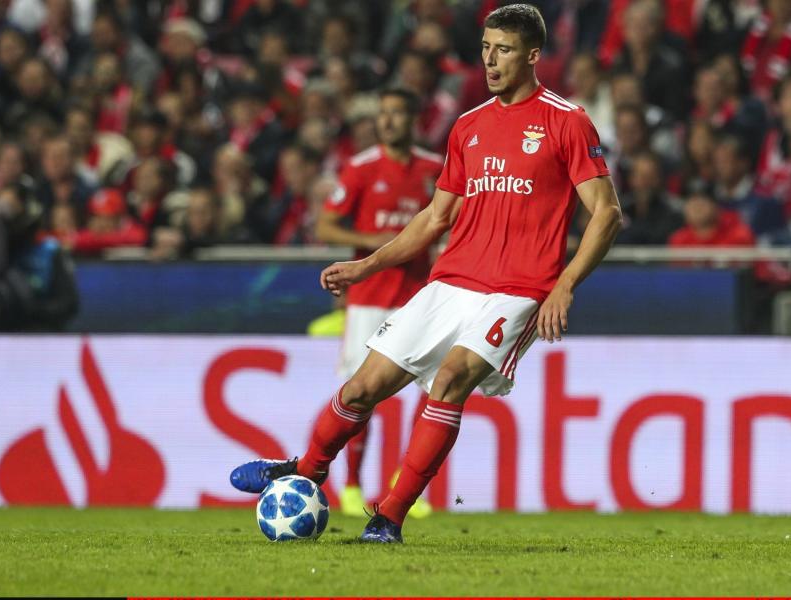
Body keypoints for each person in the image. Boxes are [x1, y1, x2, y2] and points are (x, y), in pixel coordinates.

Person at [229, 4, 622, 543]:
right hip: (450, 282)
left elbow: (607, 212)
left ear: (533, 56)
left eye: (503, 49)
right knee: (363, 387)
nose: (490, 60)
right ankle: (306, 472)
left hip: (518, 290)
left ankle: (387, 517)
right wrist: (366, 266)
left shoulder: (566, 120)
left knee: (450, 379)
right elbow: (436, 218)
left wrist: (565, 286)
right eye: (485, 48)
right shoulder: (468, 126)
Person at [314, 88, 444, 518]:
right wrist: (368, 243)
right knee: (359, 394)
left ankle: (407, 486)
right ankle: (351, 484)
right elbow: (327, 226)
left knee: (432, 390)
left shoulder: (434, 168)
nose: (387, 121)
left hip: (418, 298)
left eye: (397, 114)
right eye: (383, 114)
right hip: (368, 299)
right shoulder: (361, 168)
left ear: (413, 120)